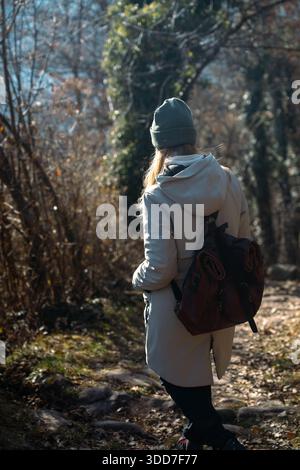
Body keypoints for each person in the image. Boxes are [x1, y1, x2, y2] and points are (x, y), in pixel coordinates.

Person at [132, 97, 252, 450]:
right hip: (222, 297)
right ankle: (196, 434)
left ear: (159, 144)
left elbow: (160, 268)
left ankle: (217, 435)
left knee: (169, 369)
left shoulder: (159, 194)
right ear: (192, 137)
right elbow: (244, 242)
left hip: (179, 304)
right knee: (194, 368)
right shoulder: (228, 179)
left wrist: (136, 279)